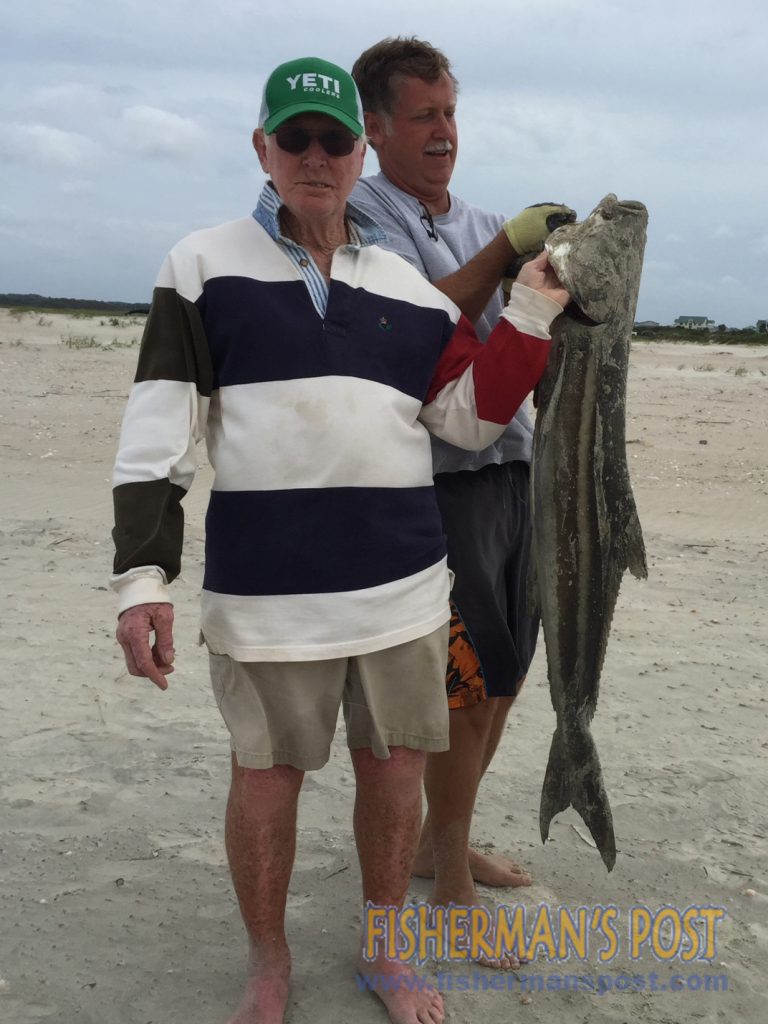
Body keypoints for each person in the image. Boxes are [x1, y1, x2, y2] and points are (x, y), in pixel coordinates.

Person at [111, 55, 568, 1024]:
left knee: (397, 777)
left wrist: (529, 310)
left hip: (401, 593)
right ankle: (269, 962)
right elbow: (159, 429)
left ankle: (390, 951)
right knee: (267, 785)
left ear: (360, 154)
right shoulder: (201, 263)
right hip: (265, 599)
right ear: (263, 149)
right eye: (295, 138)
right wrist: (142, 579)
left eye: (333, 140)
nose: (315, 157)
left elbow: (469, 417)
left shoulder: (410, 285)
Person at [350, 37, 574, 928]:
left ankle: (454, 828)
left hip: (514, 465)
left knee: (510, 671)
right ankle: (445, 872)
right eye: (424, 116)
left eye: (450, 112)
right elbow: (411, 318)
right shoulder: (364, 217)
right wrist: (510, 257)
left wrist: (565, 289)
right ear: (376, 129)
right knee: (461, 684)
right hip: (433, 478)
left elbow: (531, 341)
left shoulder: (479, 217)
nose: (444, 131)